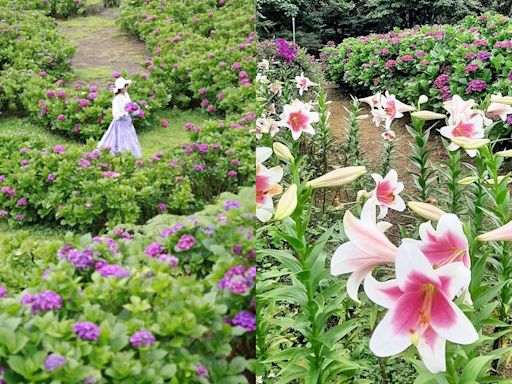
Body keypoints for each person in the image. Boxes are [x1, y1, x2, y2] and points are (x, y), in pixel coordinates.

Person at [97, 77, 142, 157]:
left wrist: (135, 110)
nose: (126, 87)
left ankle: (130, 155)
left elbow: (130, 105)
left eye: (126, 85)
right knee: (121, 139)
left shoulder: (126, 95)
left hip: (128, 121)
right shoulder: (117, 99)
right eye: (125, 86)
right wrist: (125, 112)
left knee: (130, 138)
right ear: (120, 88)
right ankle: (120, 154)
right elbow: (116, 114)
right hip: (120, 123)